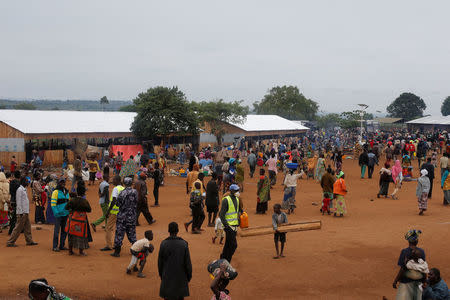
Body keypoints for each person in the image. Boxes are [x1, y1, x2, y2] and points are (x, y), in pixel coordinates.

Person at [158, 222, 192, 300]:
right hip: (181, 278)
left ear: (168, 231)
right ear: (177, 231)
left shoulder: (163, 244)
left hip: (167, 277)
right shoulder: (183, 244)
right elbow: (188, 263)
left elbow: (160, 263)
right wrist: (188, 276)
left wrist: (162, 275)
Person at [393, 229, 426, 300]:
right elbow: (423, 268)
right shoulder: (421, 252)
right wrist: (424, 282)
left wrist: (396, 280)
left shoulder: (404, 252)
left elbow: (402, 269)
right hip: (418, 282)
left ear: (408, 241)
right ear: (417, 241)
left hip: (406, 282)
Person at [6, 177, 38, 247]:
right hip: (22, 213)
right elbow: (19, 202)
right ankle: (10, 242)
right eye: (26, 181)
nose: (28, 183)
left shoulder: (24, 189)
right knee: (18, 228)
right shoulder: (19, 190)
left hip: (25, 212)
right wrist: (20, 213)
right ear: (23, 182)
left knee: (27, 227)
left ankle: (29, 241)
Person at [111, 177, 138, 257]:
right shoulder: (135, 192)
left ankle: (117, 252)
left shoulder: (122, 193)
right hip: (132, 216)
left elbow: (117, 204)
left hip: (122, 217)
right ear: (131, 183)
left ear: (124, 183)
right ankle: (136, 250)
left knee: (119, 234)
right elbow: (136, 201)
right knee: (132, 234)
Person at [65, 184, 91, 256]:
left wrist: (72, 210)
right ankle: (81, 252)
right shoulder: (84, 201)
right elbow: (89, 210)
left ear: (77, 192)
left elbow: (66, 207)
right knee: (81, 236)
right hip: (81, 221)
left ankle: (70, 251)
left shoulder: (72, 200)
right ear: (83, 193)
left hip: (72, 219)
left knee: (71, 235)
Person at [219, 184, 242, 263]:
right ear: (231, 191)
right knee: (234, 245)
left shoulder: (237, 199)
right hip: (228, 226)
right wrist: (226, 226)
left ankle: (223, 258)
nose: (237, 192)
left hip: (234, 225)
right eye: (236, 190)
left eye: (237, 190)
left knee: (228, 244)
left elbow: (237, 211)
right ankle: (227, 260)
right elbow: (221, 214)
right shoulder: (226, 200)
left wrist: (239, 219)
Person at [101, 175, 124, 251]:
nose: (112, 181)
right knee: (119, 228)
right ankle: (117, 243)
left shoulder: (115, 189)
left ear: (117, 181)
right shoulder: (123, 188)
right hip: (121, 212)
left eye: (113, 180)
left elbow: (113, 200)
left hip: (114, 212)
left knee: (108, 228)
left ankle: (109, 245)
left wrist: (108, 211)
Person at [51, 178, 70, 252]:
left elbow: (68, 202)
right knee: (56, 231)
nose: (62, 184)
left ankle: (62, 245)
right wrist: (56, 213)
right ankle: (55, 246)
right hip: (58, 215)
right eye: (61, 182)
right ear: (58, 183)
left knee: (64, 231)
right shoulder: (55, 192)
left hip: (66, 214)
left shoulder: (66, 191)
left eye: (63, 182)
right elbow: (53, 204)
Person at [8, 170, 21, 235]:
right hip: (17, 200)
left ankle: (19, 229)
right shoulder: (18, 183)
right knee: (16, 216)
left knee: (15, 215)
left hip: (12, 199)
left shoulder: (11, 182)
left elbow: (10, 191)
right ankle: (11, 231)